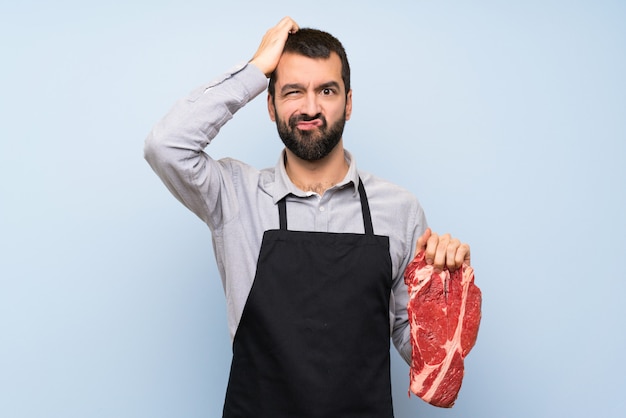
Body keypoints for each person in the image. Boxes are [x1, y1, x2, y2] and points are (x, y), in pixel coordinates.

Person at [144, 16, 470, 418]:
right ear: (270, 104)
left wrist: (443, 299)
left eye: (327, 90)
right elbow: (165, 145)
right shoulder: (233, 195)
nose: (311, 107)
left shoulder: (399, 208)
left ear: (348, 102)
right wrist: (255, 68)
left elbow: (415, 348)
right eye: (293, 91)